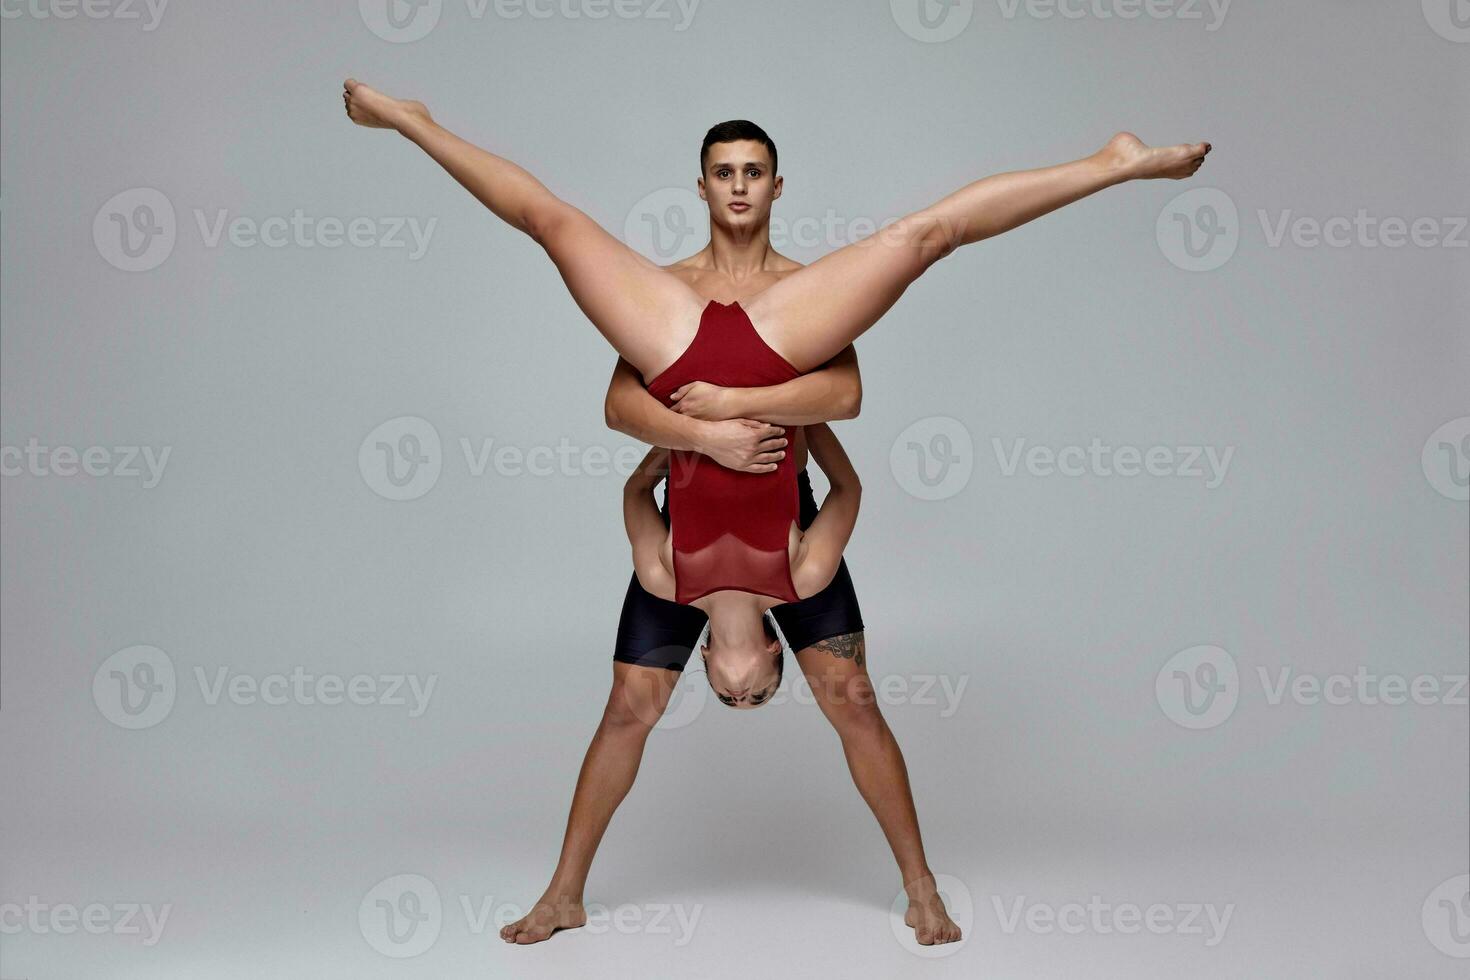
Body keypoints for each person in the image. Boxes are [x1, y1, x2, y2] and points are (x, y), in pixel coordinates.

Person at [340, 76, 1212, 672]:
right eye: (724, 173)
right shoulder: (669, 287)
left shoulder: (803, 291)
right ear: (702, 186)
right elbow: (618, 410)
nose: (739, 187)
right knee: (555, 224)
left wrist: (735, 402)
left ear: (777, 186)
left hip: (765, 344)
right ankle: (414, 120)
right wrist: (702, 432)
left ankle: (1112, 163)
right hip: (679, 339)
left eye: (753, 173)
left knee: (921, 239)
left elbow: (846, 397)